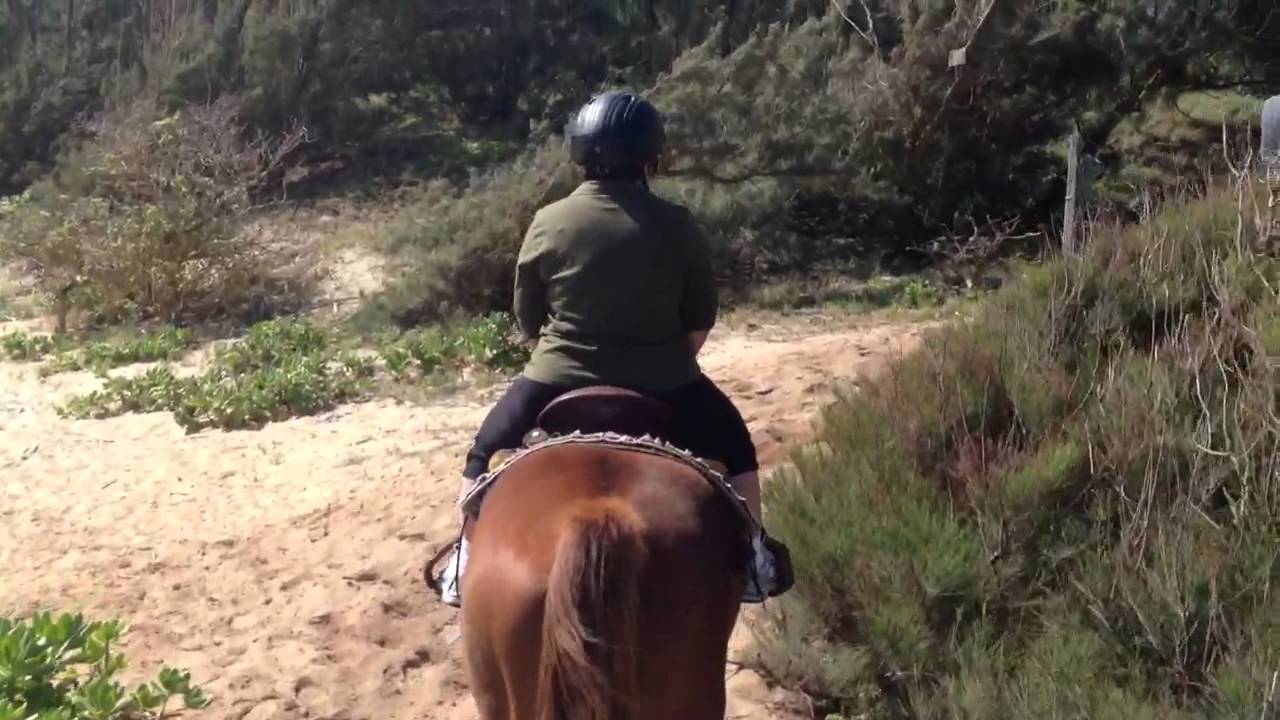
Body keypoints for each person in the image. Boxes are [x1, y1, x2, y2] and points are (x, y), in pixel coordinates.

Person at [433, 90, 789, 607]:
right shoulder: (676, 222)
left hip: (555, 376)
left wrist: (563, 354)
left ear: (580, 151)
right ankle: (755, 562)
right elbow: (698, 320)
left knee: (485, 452)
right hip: (667, 379)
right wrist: (663, 361)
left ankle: (461, 567)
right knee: (737, 450)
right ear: (652, 155)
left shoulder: (549, 220)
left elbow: (529, 319)